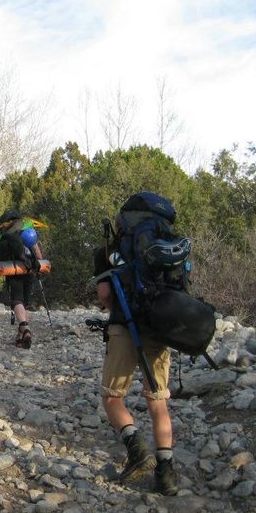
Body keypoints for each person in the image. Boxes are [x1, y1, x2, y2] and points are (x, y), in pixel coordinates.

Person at [92, 203, 181, 496]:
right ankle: (166, 474)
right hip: (159, 326)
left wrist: (117, 307)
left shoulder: (106, 251)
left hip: (124, 327)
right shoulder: (166, 247)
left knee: (112, 397)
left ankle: (136, 449)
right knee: (158, 402)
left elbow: (106, 295)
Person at [0, 210, 43, 349]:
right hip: (29, 271)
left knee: (16, 301)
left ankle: (24, 327)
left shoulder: (0, 235)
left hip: (12, 271)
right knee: (24, 302)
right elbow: (38, 256)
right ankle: (20, 337)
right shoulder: (27, 231)